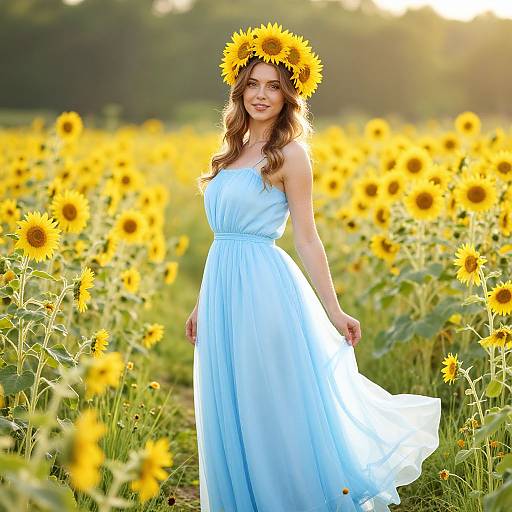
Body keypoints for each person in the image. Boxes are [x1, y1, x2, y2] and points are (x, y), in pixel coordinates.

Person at [185, 22, 441, 512]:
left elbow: (306, 236)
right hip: (222, 287)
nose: (262, 95)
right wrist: (202, 302)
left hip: (264, 289)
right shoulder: (228, 152)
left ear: (288, 98)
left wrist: (334, 310)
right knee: (229, 403)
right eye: (254, 84)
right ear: (239, 89)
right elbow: (224, 241)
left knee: (267, 403)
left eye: (274, 87)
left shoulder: (290, 156)